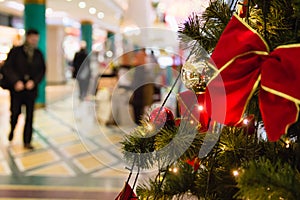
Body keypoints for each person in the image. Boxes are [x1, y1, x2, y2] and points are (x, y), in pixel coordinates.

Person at [3, 29, 46, 149]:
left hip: (30, 91)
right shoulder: (16, 51)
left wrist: (34, 81)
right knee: (15, 113)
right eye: (33, 39)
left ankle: (27, 141)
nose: (34, 41)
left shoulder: (38, 54)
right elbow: (7, 68)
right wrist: (16, 81)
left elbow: (42, 70)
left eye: (36, 40)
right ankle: (12, 130)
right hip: (17, 90)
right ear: (27, 38)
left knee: (30, 116)